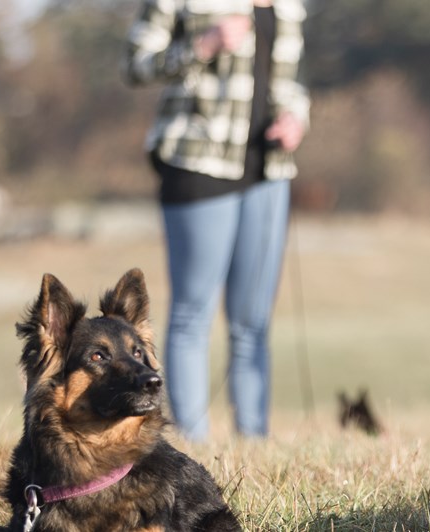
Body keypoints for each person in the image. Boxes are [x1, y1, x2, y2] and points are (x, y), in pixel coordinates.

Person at [125, 0, 310, 441]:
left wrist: (296, 119)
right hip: (197, 165)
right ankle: (192, 442)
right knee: (192, 313)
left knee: (253, 322)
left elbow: (293, 82)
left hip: (267, 172)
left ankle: (254, 440)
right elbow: (135, 65)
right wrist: (203, 45)